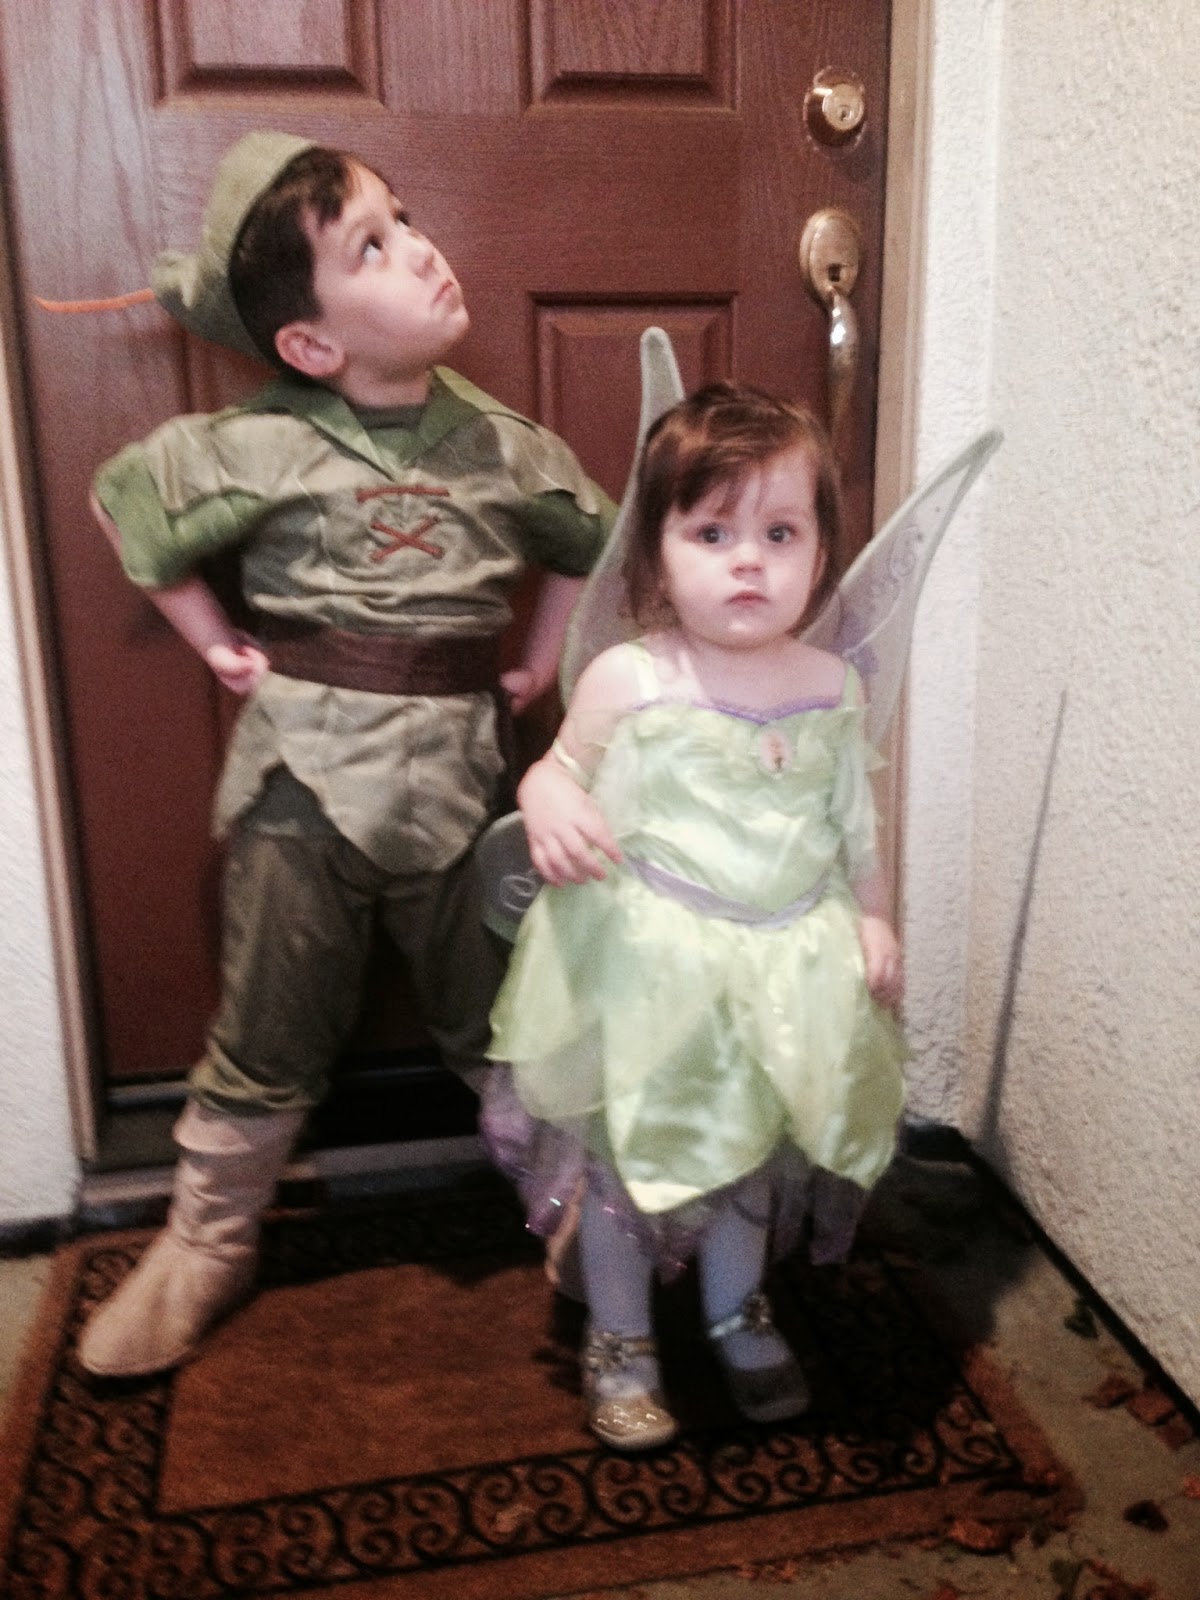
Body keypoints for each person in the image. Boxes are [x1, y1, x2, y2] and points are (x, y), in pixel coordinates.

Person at [77, 130, 614, 1378]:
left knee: (506, 1011)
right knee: (271, 1016)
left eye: (405, 218)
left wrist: (541, 664)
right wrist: (216, 644)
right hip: (300, 789)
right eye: (372, 245)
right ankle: (207, 1238)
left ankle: (573, 1206)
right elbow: (124, 500)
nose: (419, 249)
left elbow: (591, 540)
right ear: (312, 345)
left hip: (465, 783)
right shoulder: (256, 442)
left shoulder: (505, 444)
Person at [484, 381, 907, 1450]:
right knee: (631, 1160)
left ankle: (735, 1307)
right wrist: (547, 796)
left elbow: (854, 825)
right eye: (712, 533)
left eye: (780, 533)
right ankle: (621, 1334)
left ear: (821, 551)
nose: (749, 561)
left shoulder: (832, 685)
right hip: (653, 965)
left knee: (752, 1149)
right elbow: (557, 768)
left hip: (787, 964)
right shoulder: (630, 677)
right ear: (657, 552)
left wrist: (873, 918)